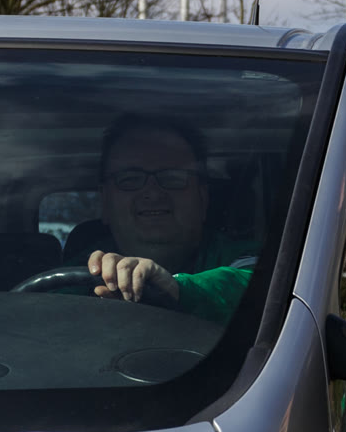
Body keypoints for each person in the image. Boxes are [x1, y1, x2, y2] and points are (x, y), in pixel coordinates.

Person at [81, 115, 255, 319]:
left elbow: (264, 290)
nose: (153, 193)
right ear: (105, 202)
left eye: (173, 177)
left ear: (203, 196)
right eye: (130, 179)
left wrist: (175, 289)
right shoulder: (71, 277)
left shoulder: (247, 259)